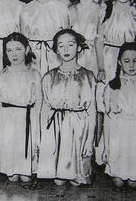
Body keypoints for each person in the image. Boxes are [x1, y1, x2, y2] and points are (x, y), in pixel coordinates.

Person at [37, 29, 97, 186]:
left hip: (79, 129)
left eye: (70, 45)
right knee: (59, 181)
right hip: (56, 129)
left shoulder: (88, 76)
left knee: (77, 181)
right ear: (56, 50)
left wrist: (90, 140)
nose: (66, 49)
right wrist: (42, 136)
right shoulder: (49, 77)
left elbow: (92, 112)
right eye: (61, 46)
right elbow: (45, 109)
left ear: (78, 47)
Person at [99, 42, 136, 188]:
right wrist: (106, 147)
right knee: (118, 182)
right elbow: (108, 120)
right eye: (126, 61)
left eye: (135, 60)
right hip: (119, 135)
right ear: (119, 62)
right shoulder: (113, 87)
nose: (131, 65)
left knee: (133, 183)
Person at [0, 32, 41, 183]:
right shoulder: (0, 75)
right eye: (9, 50)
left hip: (27, 120)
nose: (14, 54)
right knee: (12, 177)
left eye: (18, 49)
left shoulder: (34, 74)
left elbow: (39, 106)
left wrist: (37, 133)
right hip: (8, 121)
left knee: (26, 177)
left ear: (26, 50)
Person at [20, 0, 70, 74]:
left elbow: (66, 35)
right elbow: (23, 37)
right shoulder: (26, 9)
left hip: (54, 54)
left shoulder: (61, 8)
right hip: (34, 55)